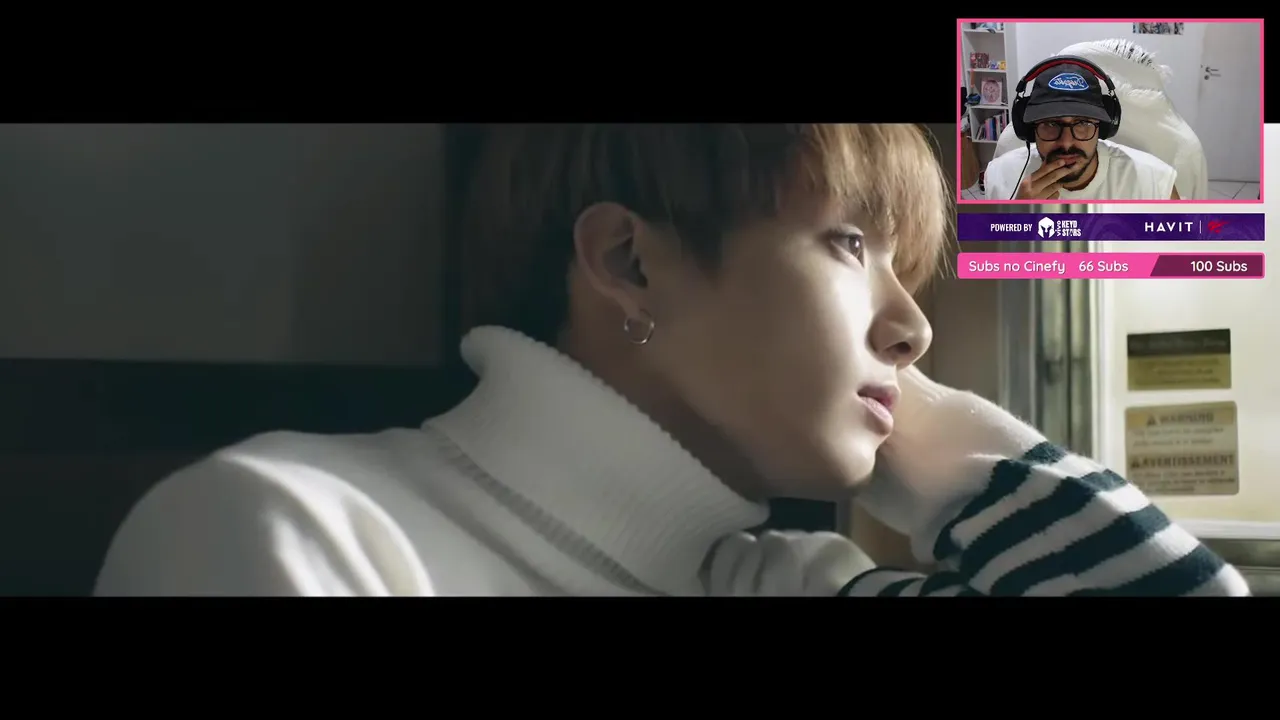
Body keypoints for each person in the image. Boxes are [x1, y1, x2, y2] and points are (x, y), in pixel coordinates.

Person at [94, 124, 1247, 597]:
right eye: (851, 245)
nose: (912, 329)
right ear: (628, 261)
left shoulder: (797, 583)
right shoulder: (286, 529)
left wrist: (961, 467)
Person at [994, 39, 1209, 200]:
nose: (1066, 142)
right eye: (1050, 124)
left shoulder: (1156, 184)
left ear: (1105, 127)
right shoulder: (999, 176)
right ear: (1028, 129)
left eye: (1083, 123)